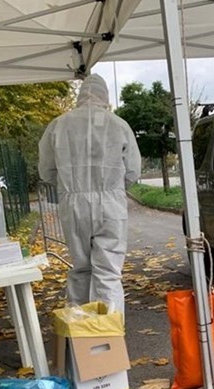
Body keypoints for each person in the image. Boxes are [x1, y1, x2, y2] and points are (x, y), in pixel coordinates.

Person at [38, 74, 141, 314]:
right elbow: (133, 170)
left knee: (81, 269)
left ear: (80, 94)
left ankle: (80, 340)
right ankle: (108, 338)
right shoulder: (118, 124)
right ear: (105, 95)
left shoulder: (59, 124)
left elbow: (46, 170)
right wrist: (114, 185)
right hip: (110, 203)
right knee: (108, 273)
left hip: (73, 202)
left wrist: (68, 184)